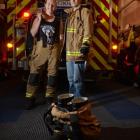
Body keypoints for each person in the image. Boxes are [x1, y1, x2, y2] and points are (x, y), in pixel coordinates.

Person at [25, 0, 64, 109]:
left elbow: (61, 36)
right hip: (41, 48)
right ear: (45, 5)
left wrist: (59, 49)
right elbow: (32, 33)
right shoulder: (38, 17)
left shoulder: (58, 20)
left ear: (55, 7)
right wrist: (39, 19)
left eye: (53, 5)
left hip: (54, 49)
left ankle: (49, 98)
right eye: (49, 4)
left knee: (52, 74)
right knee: (35, 73)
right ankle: (30, 98)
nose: (51, 6)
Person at [64, 0, 93, 97]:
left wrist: (86, 44)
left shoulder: (85, 12)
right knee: (71, 80)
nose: (72, 0)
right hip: (69, 55)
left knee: (77, 81)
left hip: (79, 54)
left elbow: (88, 30)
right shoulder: (68, 13)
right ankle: (72, 102)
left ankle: (79, 102)